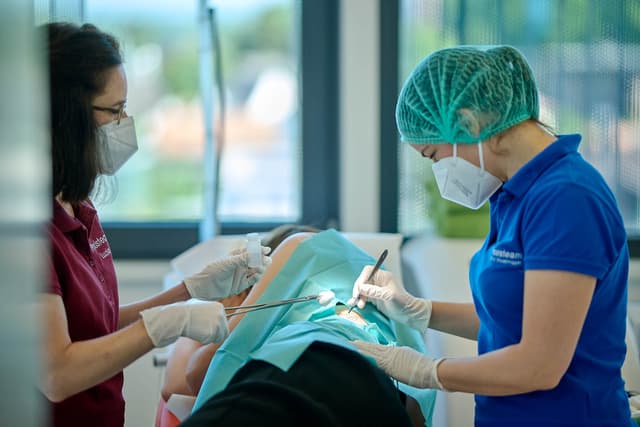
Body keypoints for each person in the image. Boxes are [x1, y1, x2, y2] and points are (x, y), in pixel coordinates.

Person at [348, 45, 633, 426]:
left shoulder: (567, 198)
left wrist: (428, 370)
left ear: (468, 123)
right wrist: (419, 310)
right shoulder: (513, 193)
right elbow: (511, 323)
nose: (437, 171)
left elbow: (539, 365)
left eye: (433, 155)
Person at [40, 22, 270, 427]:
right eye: (115, 111)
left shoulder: (78, 208)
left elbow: (96, 326)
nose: (126, 123)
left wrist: (189, 291)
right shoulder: (27, 235)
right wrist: (167, 325)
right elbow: (57, 375)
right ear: (66, 115)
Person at [177, 229, 437, 427]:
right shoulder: (391, 303)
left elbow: (195, 374)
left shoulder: (299, 245)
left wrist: (223, 308)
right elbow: (416, 411)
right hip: (382, 399)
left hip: (307, 367)